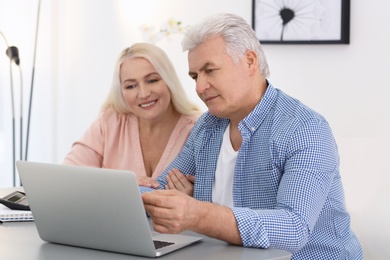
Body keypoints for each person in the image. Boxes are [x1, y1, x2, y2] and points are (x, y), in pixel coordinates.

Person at [140, 13, 363, 259]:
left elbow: (293, 228)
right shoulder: (207, 126)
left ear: (249, 61)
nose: (200, 87)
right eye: (195, 76)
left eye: (210, 70)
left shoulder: (304, 128)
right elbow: (159, 190)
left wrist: (198, 213)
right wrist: (135, 194)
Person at [64, 43, 202, 185]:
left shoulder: (200, 129)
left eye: (152, 80)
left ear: (169, 80)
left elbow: (215, 193)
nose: (143, 94)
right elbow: (68, 177)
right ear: (121, 91)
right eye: (131, 86)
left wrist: (193, 196)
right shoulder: (110, 123)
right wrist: (121, 184)